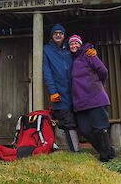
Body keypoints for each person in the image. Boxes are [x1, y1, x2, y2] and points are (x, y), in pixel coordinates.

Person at [43, 24, 96, 152]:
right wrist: (53, 91)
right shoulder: (46, 50)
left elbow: (81, 51)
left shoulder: (70, 47)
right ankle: (75, 152)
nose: (58, 35)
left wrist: (92, 52)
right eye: (55, 33)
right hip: (60, 94)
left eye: (60, 33)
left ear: (64, 35)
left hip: (76, 92)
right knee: (68, 122)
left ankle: (100, 148)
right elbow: (47, 72)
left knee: (84, 123)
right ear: (52, 35)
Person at [68, 34, 116, 162]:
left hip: (96, 99)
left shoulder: (89, 55)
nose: (73, 46)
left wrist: (97, 85)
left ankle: (106, 157)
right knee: (84, 129)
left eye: (76, 43)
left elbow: (103, 71)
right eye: (71, 44)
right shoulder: (71, 59)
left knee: (99, 128)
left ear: (80, 44)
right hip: (80, 102)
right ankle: (109, 151)